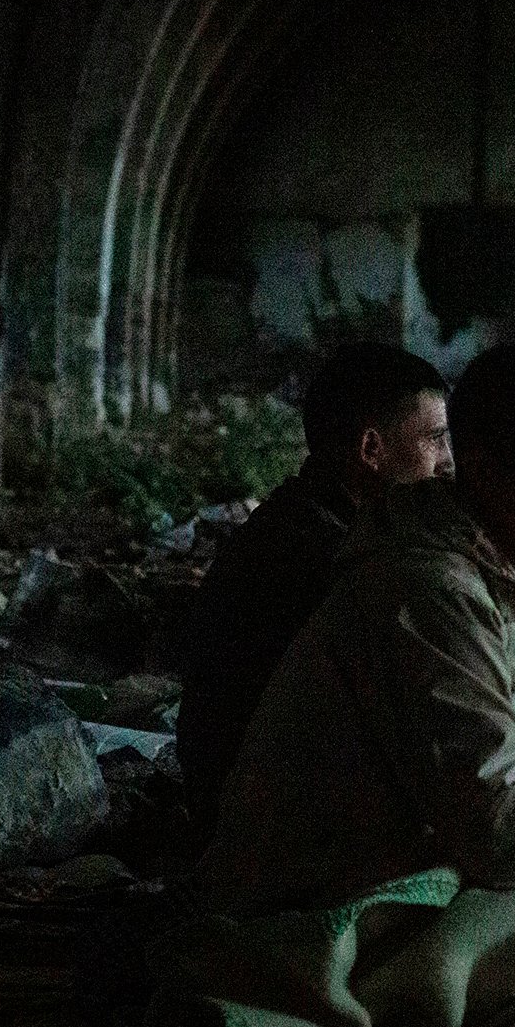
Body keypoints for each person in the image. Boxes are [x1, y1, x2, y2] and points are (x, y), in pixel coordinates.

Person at [197, 339, 515, 916]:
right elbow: (503, 836)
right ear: (480, 463)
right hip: (323, 904)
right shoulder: (432, 588)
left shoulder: (493, 574)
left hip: (403, 873)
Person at [176, 342, 453, 841]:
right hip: (264, 828)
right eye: (435, 440)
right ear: (372, 450)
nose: (446, 463)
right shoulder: (325, 554)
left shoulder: (308, 523)